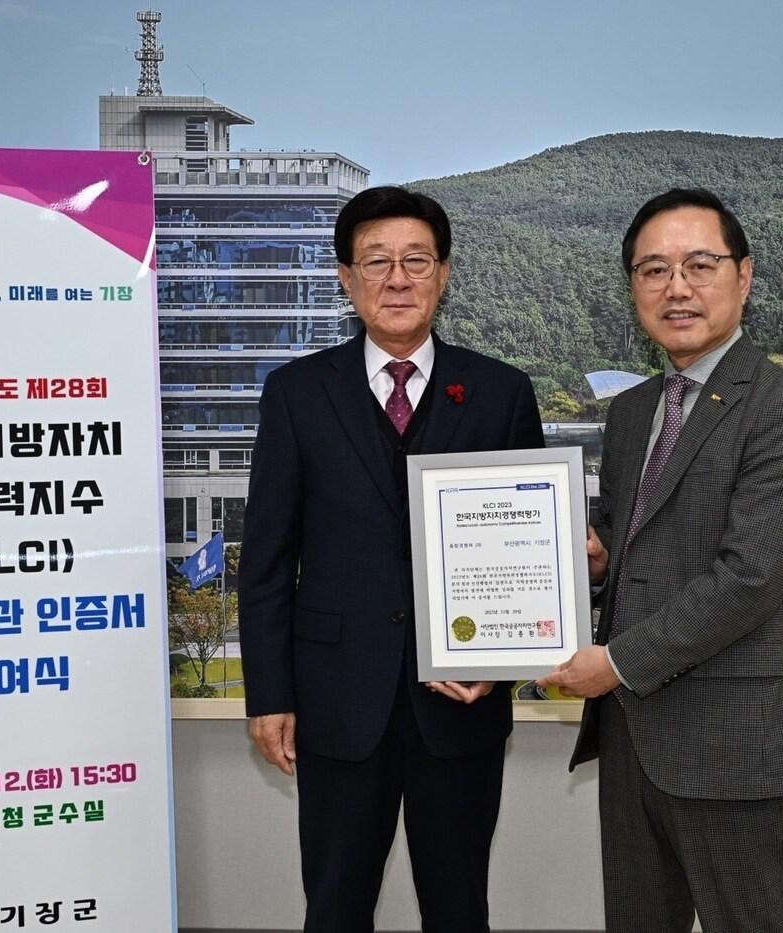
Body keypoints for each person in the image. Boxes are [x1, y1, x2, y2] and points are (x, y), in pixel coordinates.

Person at [239, 185, 544, 933]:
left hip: (460, 706)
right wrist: (268, 693)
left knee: (459, 908)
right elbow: (269, 561)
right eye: (377, 261)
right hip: (338, 702)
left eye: (416, 260)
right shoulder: (297, 394)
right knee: (336, 906)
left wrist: (500, 663)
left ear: (444, 273)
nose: (398, 278)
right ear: (346, 277)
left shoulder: (501, 392)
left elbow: (528, 553)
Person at [538, 188, 783, 933]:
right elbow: (629, 545)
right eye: (653, 270)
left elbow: (749, 579)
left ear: (745, 275)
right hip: (633, 745)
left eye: (700, 264)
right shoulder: (633, 411)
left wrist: (614, 663)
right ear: (632, 286)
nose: (677, 287)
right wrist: (596, 558)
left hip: (731, 747)